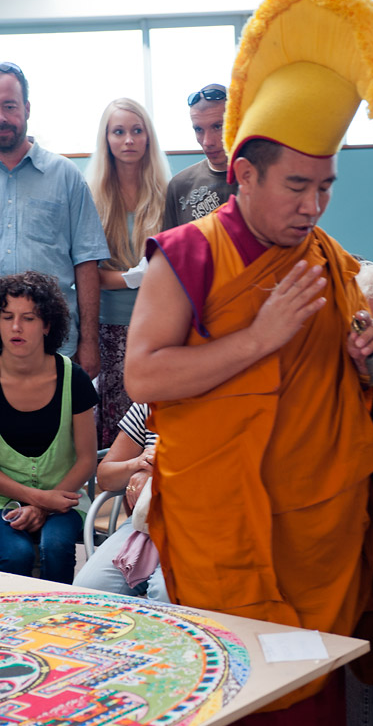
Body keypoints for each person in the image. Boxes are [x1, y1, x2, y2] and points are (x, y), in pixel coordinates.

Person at [125, 0, 373, 726]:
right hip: (226, 528)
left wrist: (371, 360)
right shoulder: (187, 254)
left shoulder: (326, 259)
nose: (314, 206)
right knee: (245, 713)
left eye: (326, 188)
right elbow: (144, 373)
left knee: (318, 719)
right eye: (297, 186)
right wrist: (259, 338)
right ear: (244, 174)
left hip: (321, 529)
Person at [0, 62, 110, 379]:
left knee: (60, 414)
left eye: (10, 106)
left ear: (27, 108)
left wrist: (89, 342)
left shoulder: (65, 175)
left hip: (55, 344)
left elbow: (87, 262)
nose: (2, 117)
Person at [0, 271, 98, 584]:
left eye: (28, 318)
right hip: (3, 498)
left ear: (47, 325)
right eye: (7, 317)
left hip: (65, 497)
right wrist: (39, 499)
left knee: (56, 546)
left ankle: (61, 612)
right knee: (16, 554)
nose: (16, 327)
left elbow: (87, 459)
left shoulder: (74, 377)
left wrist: (44, 507)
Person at [86, 98, 169, 448]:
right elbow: (87, 273)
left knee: (153, 415)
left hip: (158, 325)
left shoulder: (167, 193)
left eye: (137, 131)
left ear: (148, 137)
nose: (129, 140)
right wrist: (131, 278)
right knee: (115, 425)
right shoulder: (92, 196)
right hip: (109, 328)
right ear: (106, 139)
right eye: (118, 132)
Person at [74, 402, 169, 602]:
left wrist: (156, 475)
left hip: (203, 526)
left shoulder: (226, 406)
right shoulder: (149, 404)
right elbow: (106, 478)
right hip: (145, 523)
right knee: (88, 590)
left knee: (164, 594)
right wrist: (138, 464)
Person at [163, 84, 238, 229]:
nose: (207, 142)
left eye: (218, 127)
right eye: (198, 129)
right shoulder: (179, 186)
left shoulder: (260, 178)